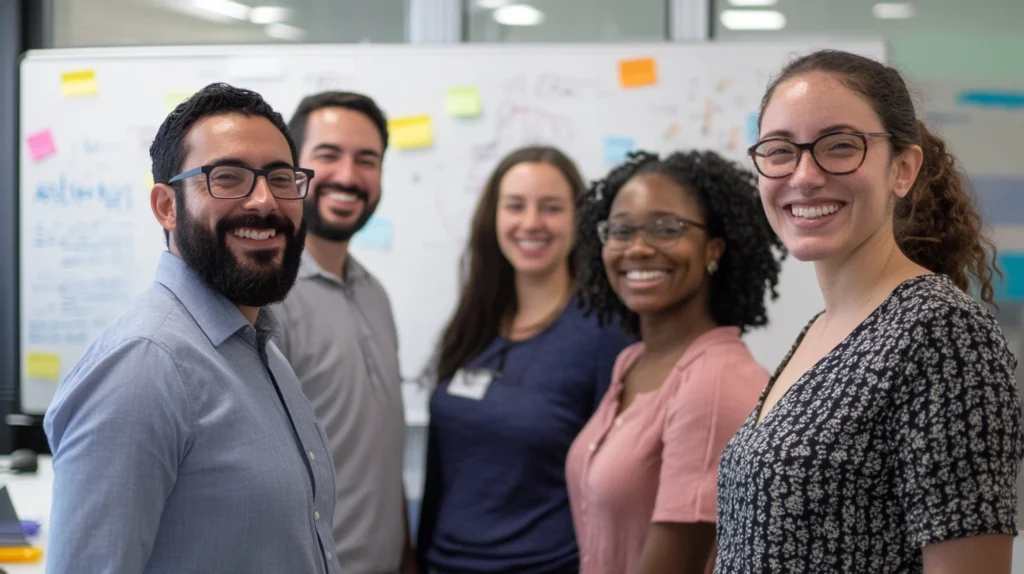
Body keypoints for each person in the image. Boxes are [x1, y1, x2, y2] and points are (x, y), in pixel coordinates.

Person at [715, 49, 1024, 574]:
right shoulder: (822, 328)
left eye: (839, 147)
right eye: (779, 150)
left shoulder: (941, 331)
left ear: (902, 169)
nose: (805, 175)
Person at [43, 83, 341, 573]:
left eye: (281, 178)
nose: (265, 202)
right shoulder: (144, 366)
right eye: (227, 177)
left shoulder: (259, 347)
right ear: (166, 206)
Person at [566, 149, 785, 574]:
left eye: (667, 229)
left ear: (713, 250)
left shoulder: (713, 383)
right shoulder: (630, 363)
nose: (639, 248)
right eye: (621, 230)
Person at [416, 146, 632, 574]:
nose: (531, 222)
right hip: (442, 562)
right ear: (493, 216)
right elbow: (441, 469)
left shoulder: (607, 336)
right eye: (515, 205)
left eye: (551, 207)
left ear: (579, 220)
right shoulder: (473, 322)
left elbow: (618, 488)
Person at [269, 90, 416, 573]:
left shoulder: (375, 294)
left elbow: (379, 450)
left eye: (367, 160)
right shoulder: (266, 301)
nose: (349, 177)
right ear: (291, 168)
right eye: (328, 156)